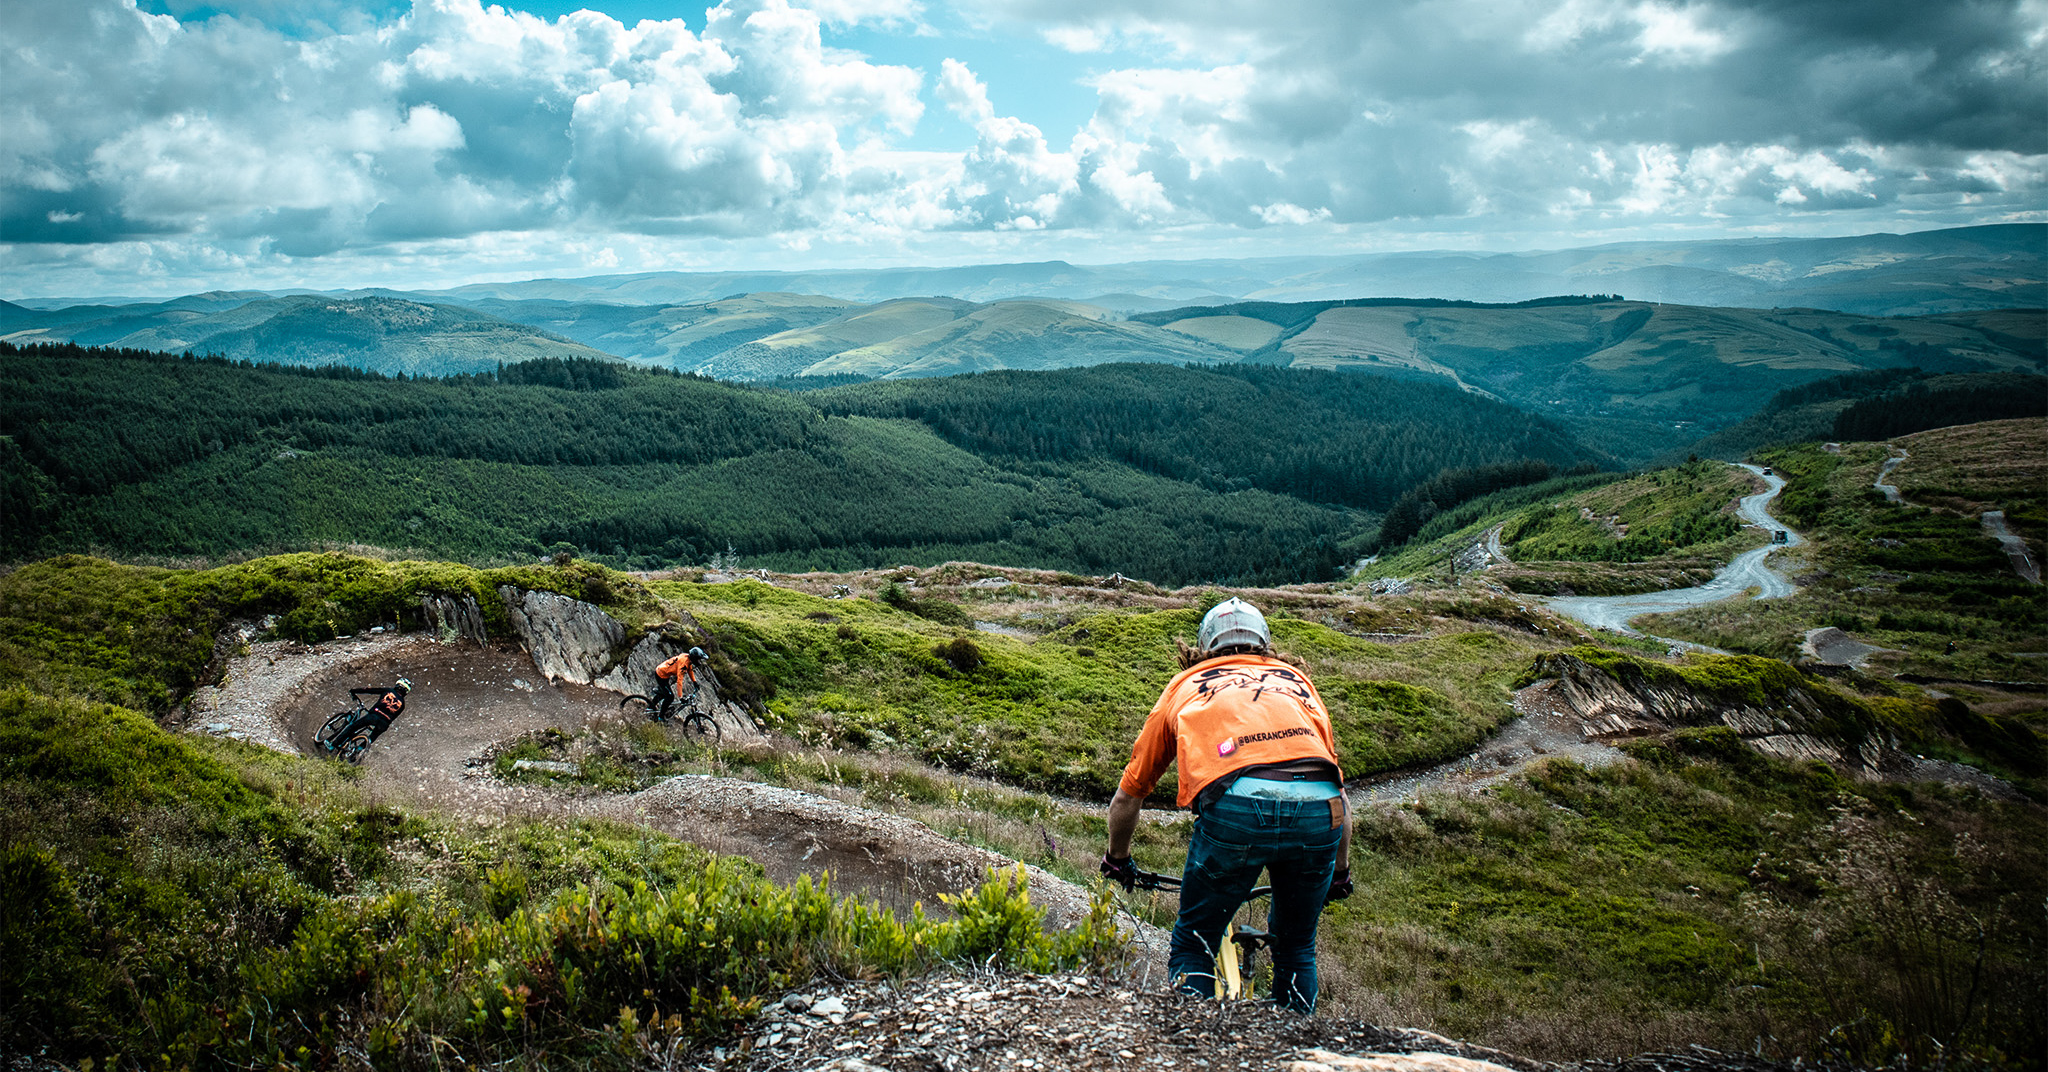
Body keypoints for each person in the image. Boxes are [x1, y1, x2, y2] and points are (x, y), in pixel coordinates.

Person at [1100, 598, 1352, 1013]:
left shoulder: (1185, 685)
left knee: (1193, 942)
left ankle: (1195, 1046)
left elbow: (1130, 794)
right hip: (1319, 809)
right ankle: (1298, 1050)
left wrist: (1118, 859)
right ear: (1265, 645)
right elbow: (1339, 794)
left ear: (1204, 647)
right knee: (1296, 949)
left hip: (1235, 807)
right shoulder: (1297, 682)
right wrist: (1339, 873)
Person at [346, 677, 412, 741]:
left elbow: (370, 691)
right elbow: (393, 718)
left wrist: (354, 691)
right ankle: (360, 748)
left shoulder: (389, 691)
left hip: (374, 716)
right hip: (384, 723)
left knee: (352, 727)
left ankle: (335, 744)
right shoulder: (402, 704)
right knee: (372, 737)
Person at [651, 646, 708, 715]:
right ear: (694, 658)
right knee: (670, 697)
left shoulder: (687, 658)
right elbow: (679, 681)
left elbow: (690, 670)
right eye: (698, 659)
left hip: (664, 673)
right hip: (661, 674)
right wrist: (680, 697)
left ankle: (650, 706)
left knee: (664, 693)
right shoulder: (683, 664)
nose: (699, 661)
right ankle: (661, 717)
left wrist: (694, 682)